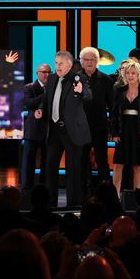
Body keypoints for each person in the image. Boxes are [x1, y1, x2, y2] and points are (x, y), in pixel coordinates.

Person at [41, 51, 91, 207]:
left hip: (72, 132)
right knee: (50, 167)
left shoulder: (78, 78)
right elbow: (46, 100)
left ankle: (74, 204)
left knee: (74, 170)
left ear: (69, 64)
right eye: (56, 63)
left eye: (60, 63)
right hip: (55, 131)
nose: (57, 66)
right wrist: (40, 110)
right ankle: (49, 204)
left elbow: (88, 95)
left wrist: (81, 91)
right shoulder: (53, 79)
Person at [110, 58, 140, 195]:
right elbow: (113, 114)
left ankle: (137, 196)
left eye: (133, 73)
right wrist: (115, 133)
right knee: (118, 165)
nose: (130, 75)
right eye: (128, 73)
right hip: (123, 130)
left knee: (137, 165)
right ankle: (115, 195)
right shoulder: (119, 91)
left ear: (139, 75)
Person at [78, 47, 115, 197]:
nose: (89, 62)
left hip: (99, 126)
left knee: (102, 159)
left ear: (97, 61)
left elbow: (112, 105)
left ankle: (105, 191)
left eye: (92, 59)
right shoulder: (75, 78)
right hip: (80, 127)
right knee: (81, 160)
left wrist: (113, 127)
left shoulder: (106, 80)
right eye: (86, 60)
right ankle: (82, 192)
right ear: (81, 62)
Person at [21, 63, 51, 191]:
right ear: (37, 73)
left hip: (49, 129)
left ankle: (44, 189)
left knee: (47, 162)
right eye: (44, 72)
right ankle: (27, 188)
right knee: (29, 161)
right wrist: (45, 94)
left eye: (49, 72)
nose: (47, 75)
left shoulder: (53, 88)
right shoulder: (29, 87)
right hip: (33, 129)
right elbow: (28, 103)